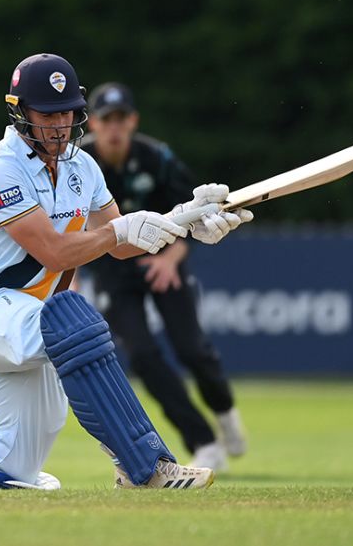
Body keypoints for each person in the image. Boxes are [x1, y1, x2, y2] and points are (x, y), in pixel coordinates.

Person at [0, 54, 252, 491]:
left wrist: (182, 223)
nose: (60, 124)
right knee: (76, 321)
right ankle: (146, 465)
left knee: (12, 475)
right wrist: (121, 230)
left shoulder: (83, 166)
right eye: (47, 113)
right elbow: (57, 252)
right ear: (20, 111)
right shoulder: (0, 168)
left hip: (38, 324)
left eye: (67, 112)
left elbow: (121, 246)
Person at [75, 82, 247, 470]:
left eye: (121, 119)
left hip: (163, 262)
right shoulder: (78, 163)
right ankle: (202, 442)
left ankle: (224, 410)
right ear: (95, 125)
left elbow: (198, 214)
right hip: (111, 269)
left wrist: (171, 258)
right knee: (144, 356)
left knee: (191, 348)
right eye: (106, 120)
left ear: (132, 121)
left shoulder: (157, 158)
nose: (114, 128)